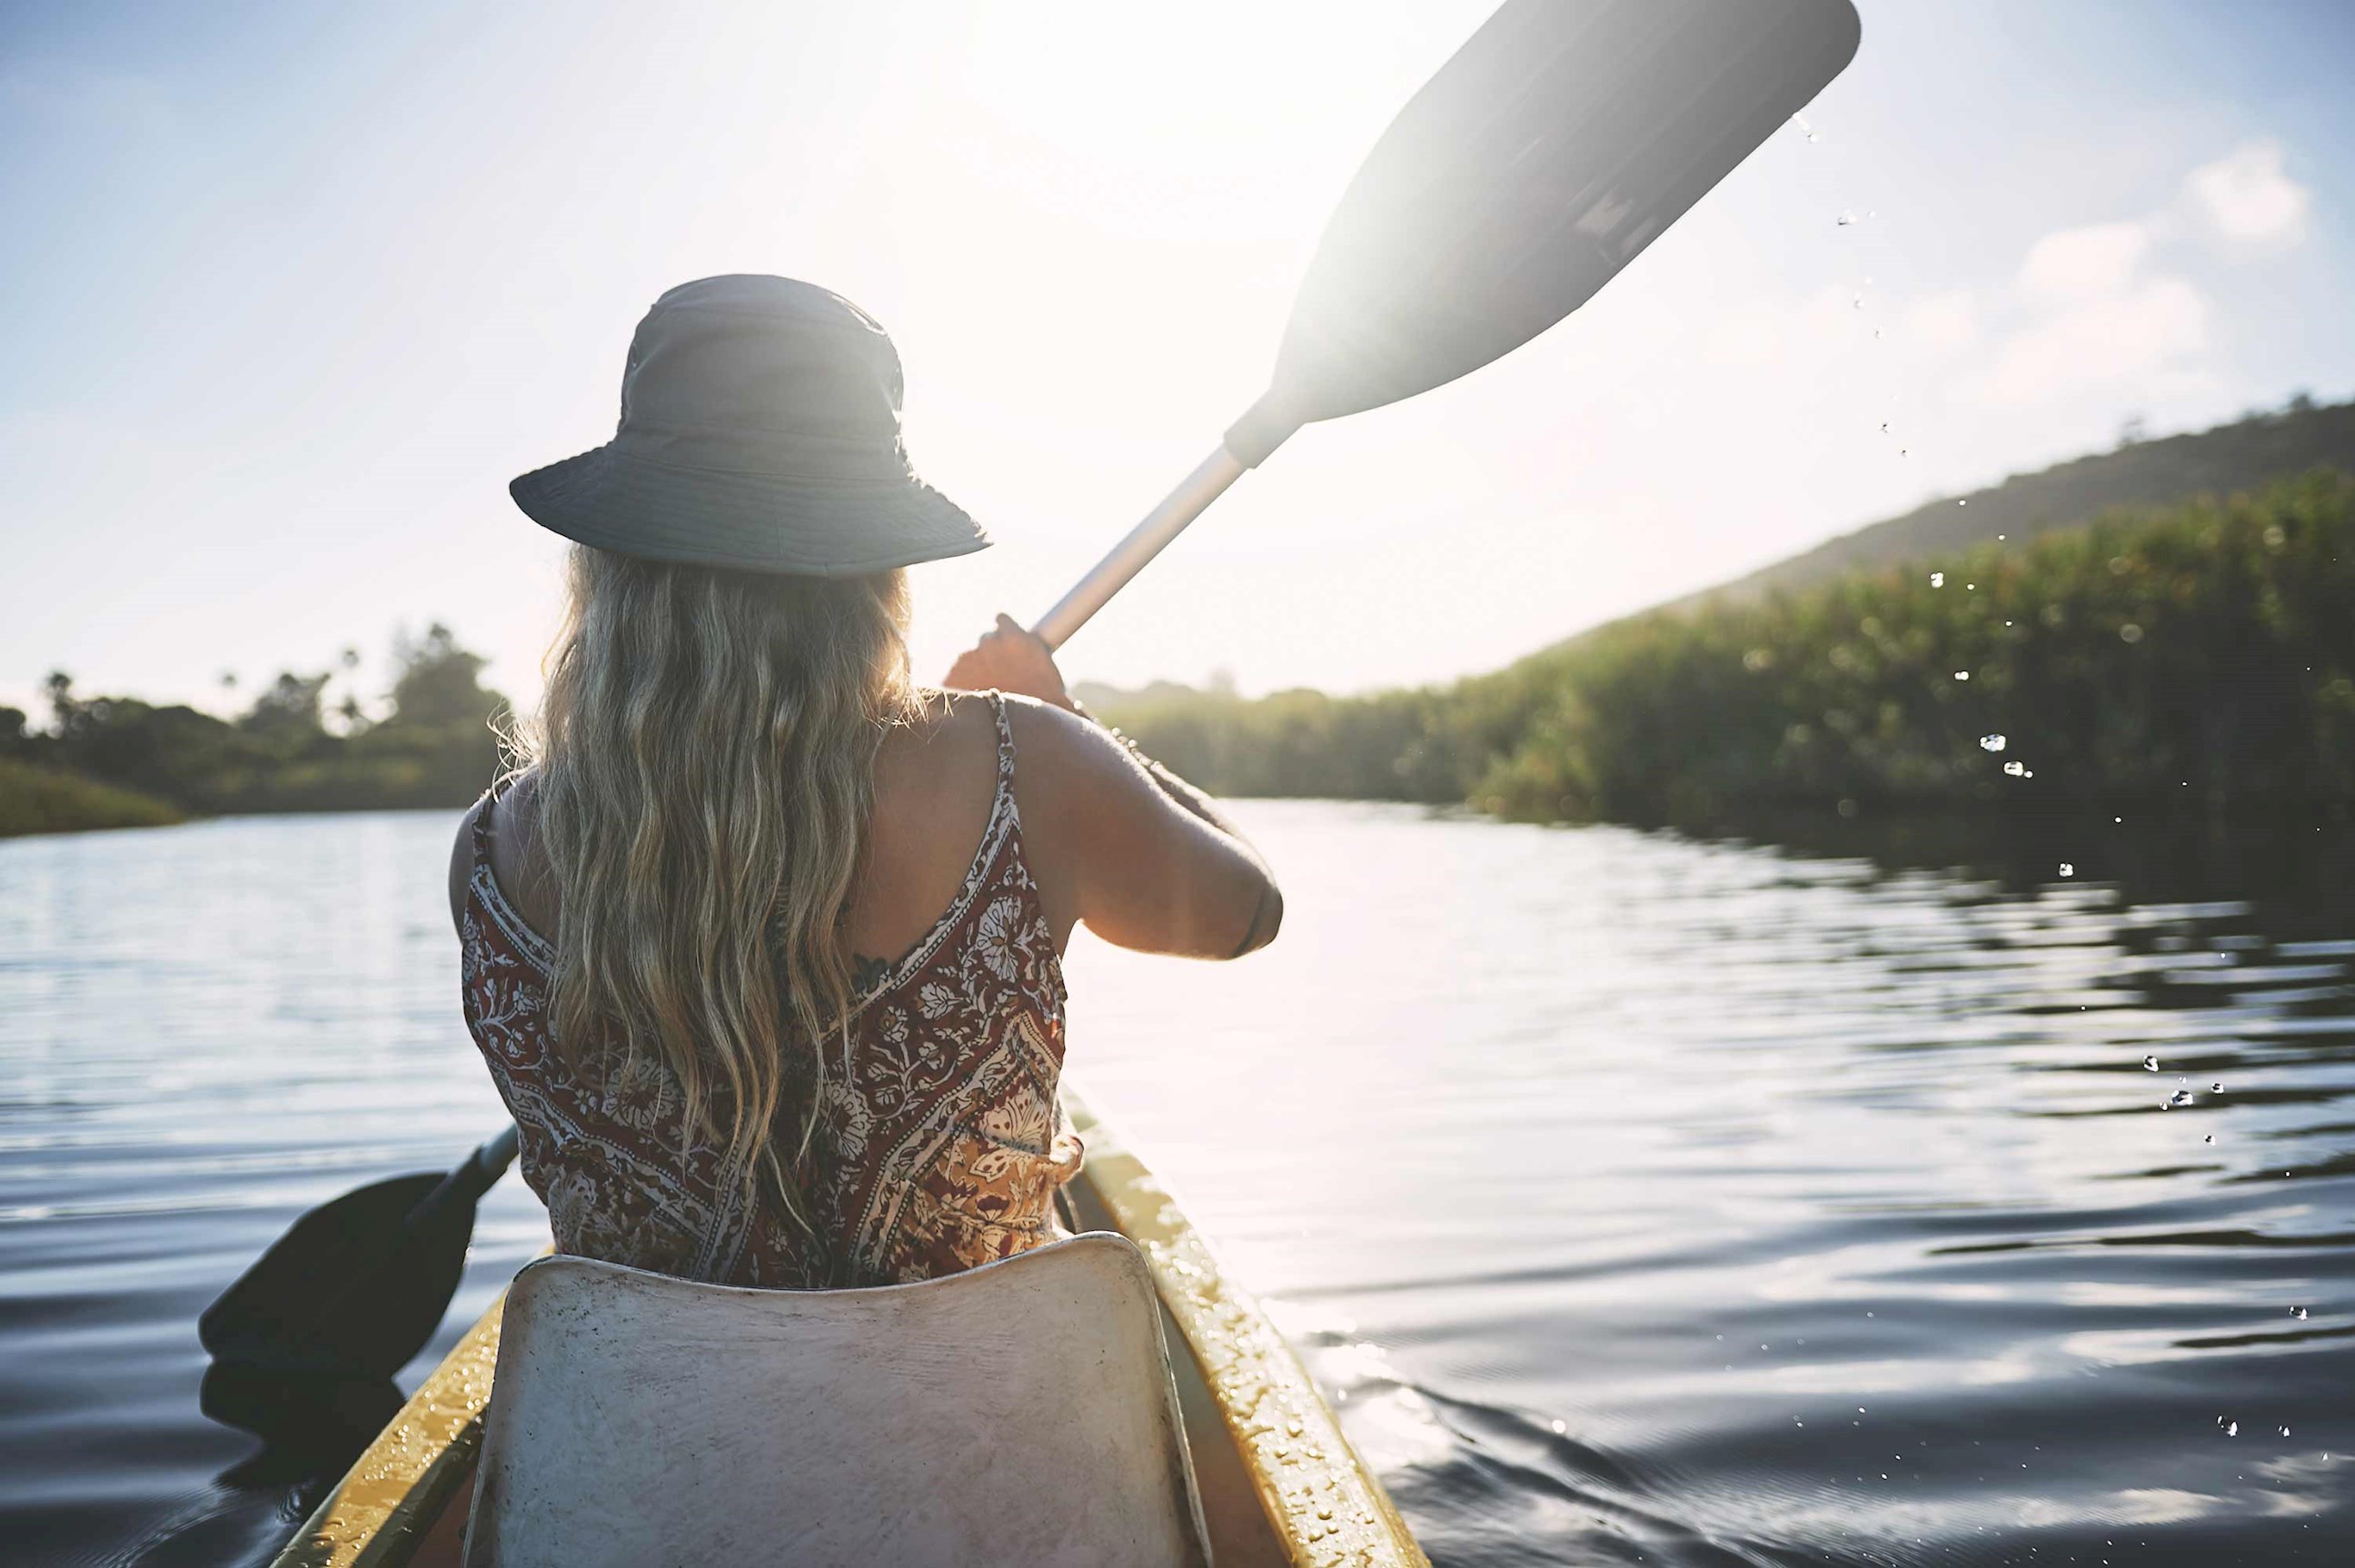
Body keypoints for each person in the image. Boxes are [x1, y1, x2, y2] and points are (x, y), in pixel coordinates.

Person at [449, 275, 1279, 1291]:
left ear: (612, 563)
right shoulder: (1031, 765)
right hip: (981, 1385)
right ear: (876, 564)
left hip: (649, 1390)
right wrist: (1066, 722)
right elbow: (1247, 916)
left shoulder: (490, 851)